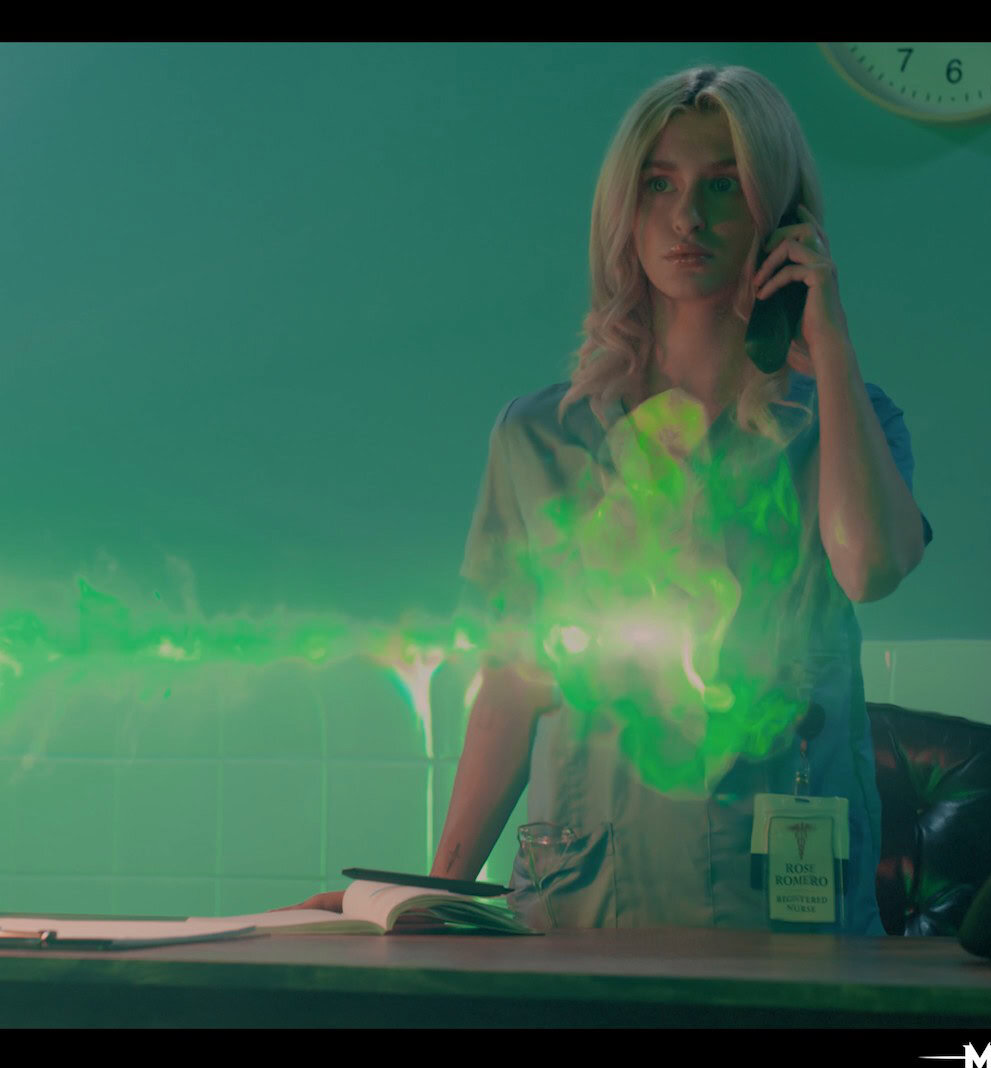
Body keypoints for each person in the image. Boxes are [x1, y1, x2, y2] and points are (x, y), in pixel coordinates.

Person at [286, 64, 930, 933]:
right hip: (581, 899)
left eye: (724, 186)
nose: (687, 217)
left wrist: (831, 344)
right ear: (623, 212)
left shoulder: (847, 424)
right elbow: (512, 688)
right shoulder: (539, 438)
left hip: (782, 909)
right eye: (659, 185)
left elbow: (870, 568)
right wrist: (433, 893)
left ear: (782, 219)